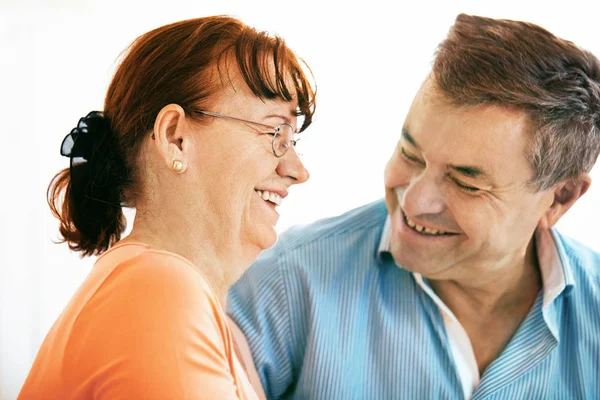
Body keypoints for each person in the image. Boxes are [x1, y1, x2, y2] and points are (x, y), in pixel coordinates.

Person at [227, 13, 600, 400]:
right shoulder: (286, 283)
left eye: (465, 183)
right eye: (410, 154)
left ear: (561, 197)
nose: (414, 201)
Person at [18, 16, 314, 400]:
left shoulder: (171, 296)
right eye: (276, 132)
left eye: (293, 139)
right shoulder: (160, 293)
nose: (297, 170)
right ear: (175, 138)